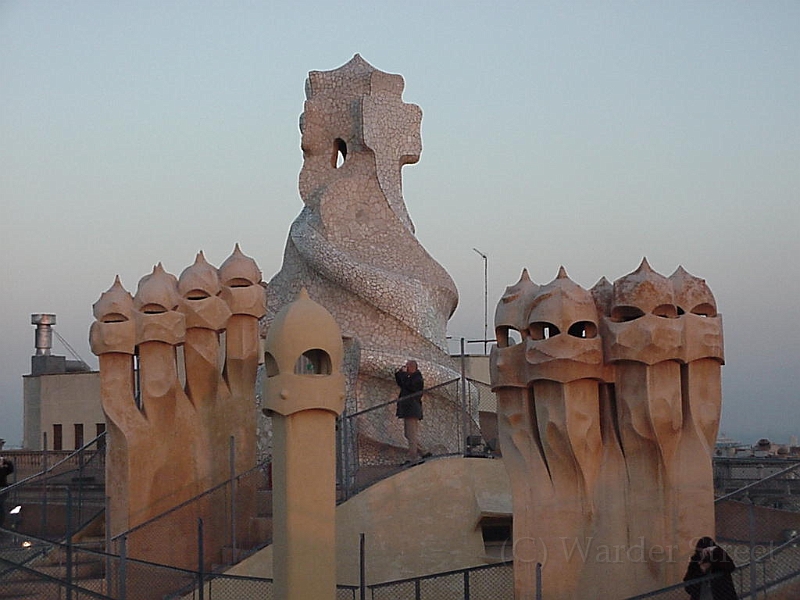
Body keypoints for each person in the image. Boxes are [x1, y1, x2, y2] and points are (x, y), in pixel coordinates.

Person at [395, 360, 430, 463]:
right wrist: (398, 374)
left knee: (411, 434)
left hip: (412, 409)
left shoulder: (417, 378)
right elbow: (402, 384)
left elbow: (409, 386)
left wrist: (404, 374)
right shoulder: (410, 377)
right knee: (408, 434)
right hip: (408, 409)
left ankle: (412, 457)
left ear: (412, 367)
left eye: (407, 366)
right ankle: (424, 452)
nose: (406, 368)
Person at [0, 456, 14, 528]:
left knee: (1, 507)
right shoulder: (3, 470)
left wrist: (5, 461)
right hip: (3, 489)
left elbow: (11, 468)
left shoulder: (3, 470)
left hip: (2, 489)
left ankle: (1, 524)